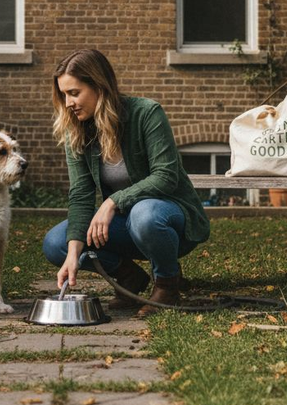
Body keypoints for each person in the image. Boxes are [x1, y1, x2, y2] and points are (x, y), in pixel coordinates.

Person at [42, 49, 210, 316]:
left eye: (74, 93)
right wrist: (73, 253)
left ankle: (167, 283)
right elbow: (81, 194)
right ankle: (130, 277)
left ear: (99, 86)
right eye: (64, 95)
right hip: (126, 226)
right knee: (56, 242)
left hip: (169, 220)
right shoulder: (76, 130)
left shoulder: (147, 114)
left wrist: (113, 201)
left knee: (145, 214)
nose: (68, 102)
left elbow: (165, 176)